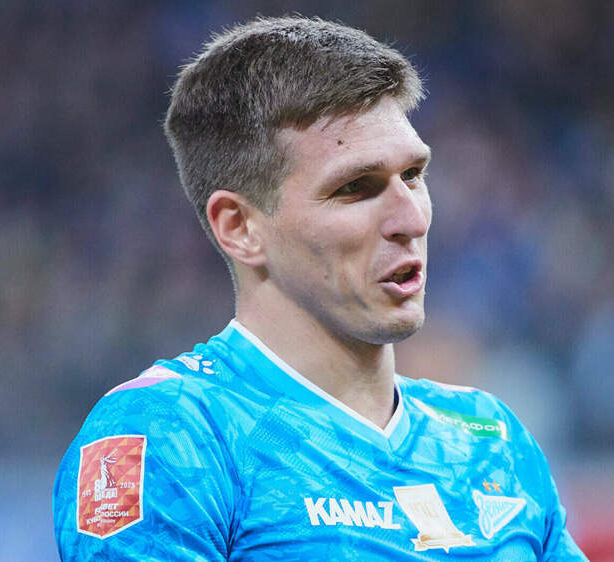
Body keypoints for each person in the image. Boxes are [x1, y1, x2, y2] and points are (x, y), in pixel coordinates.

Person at [54, 16, 586, 560]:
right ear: (240, 227)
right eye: (356, 187)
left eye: (413, 175)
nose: (411, 218)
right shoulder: (168, 435)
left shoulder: (491, 440)